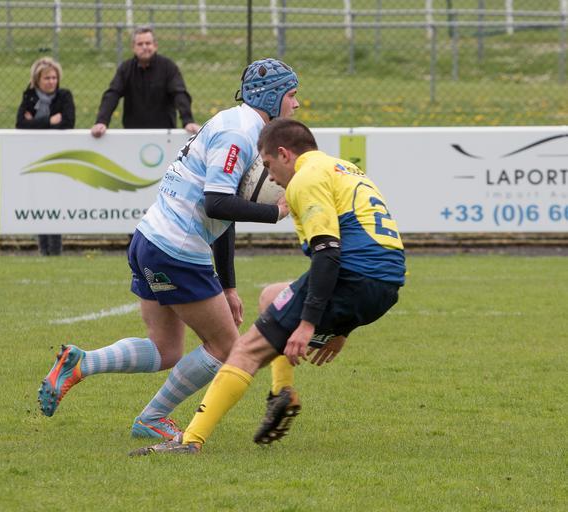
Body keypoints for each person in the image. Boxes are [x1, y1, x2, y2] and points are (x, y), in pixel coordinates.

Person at [38, 59, 300, 442]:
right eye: (292, 95)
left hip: (150, 239)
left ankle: (81, 363)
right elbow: (217, 203)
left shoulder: (235, 123)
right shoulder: (240, 133)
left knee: (165, 349)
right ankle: (153, 418)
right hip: (177, 249)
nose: (296, 104)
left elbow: (222, 212)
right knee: (227, 346)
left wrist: (228, 286)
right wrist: (274, 212)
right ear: (272, 97)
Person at [129, 119, 406, 456]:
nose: (270, 177)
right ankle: (281, 392)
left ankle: (190, 442)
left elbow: (327, 253)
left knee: (244, 350)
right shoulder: (344, 169)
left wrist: (308, 324)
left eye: (269, 165)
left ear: (285, 154)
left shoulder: (305, 179)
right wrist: (342, 327)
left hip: (353, 275)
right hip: (387, 283)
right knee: (272, 296)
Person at [91, 26, 199, 138]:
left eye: (148, 43)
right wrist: (102, 121)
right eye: (140, 44)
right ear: (133, 47)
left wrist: (188, 120)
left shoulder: (168, 67)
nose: (144, 47)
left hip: (165, 134)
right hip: (133, 134)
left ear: (155, 45)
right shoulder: (125, 69)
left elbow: (179, 94)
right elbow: (113, 94)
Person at [16, 56, 75, 256]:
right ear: (37, 80)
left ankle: (55, 250)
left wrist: (35, 122)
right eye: (47, 78)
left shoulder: (64, 96)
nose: (51, 82)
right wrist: (50, 121)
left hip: (59, 155)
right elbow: (21, 124)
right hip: (35, 157)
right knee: (40, 199)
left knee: (55, 199)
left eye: (54, 78)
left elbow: (68, 122)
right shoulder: (29, 97)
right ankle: (43, 249)